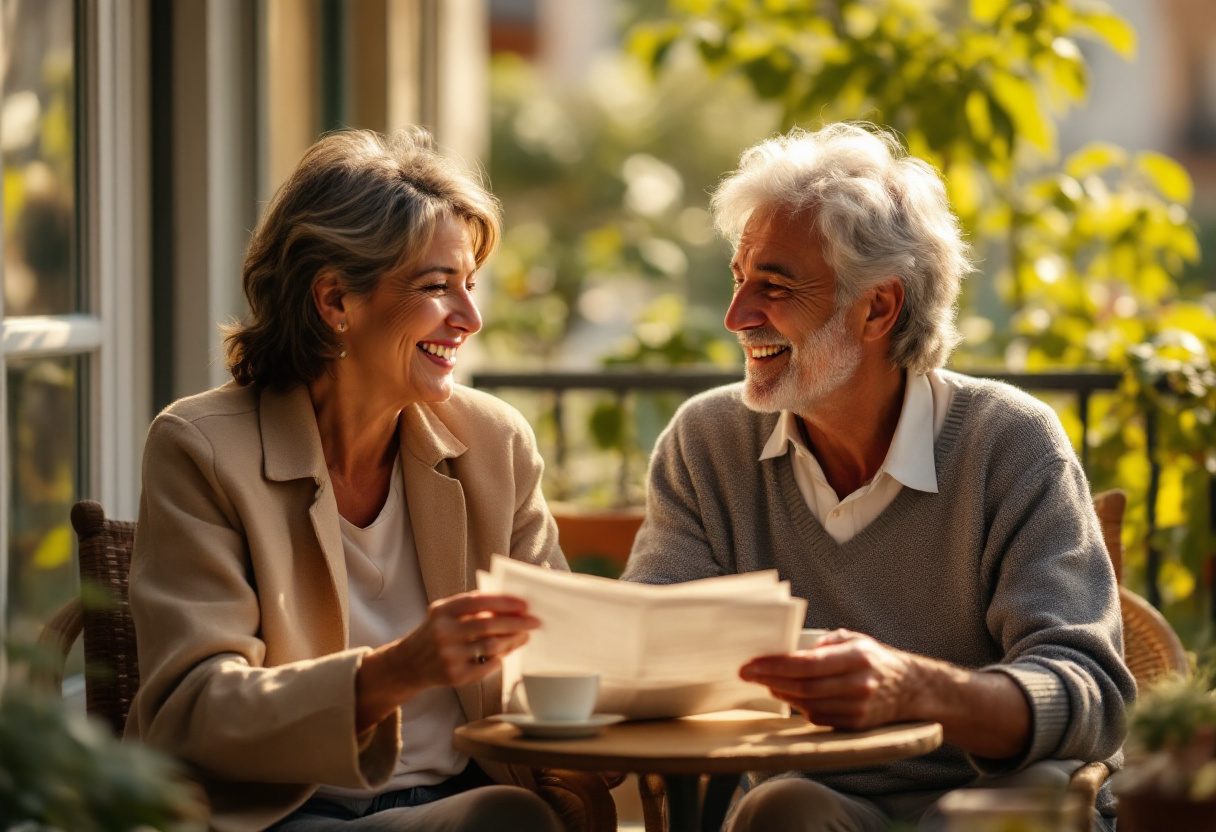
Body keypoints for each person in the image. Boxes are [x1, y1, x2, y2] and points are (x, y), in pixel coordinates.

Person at [622, 123, 1135, 831]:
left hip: (994, 791)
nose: (736, 316)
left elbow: (1093, 695)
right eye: (740, 278)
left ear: (878, 307)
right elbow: (646, 647)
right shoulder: (708, 443)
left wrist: (916, 689)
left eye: (775, 286)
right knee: (780, 808)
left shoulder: (1009, 441)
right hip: (816, 791)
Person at [125, 128, 565, 832]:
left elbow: (558, 651)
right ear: (335, 301)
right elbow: (194, 710)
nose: (471, 319)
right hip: (279, 814)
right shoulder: (201, 447)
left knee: (505, 814)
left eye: (470, 286)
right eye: (437, 287)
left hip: (458, 799)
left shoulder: (494, 442)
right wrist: (394, 672)